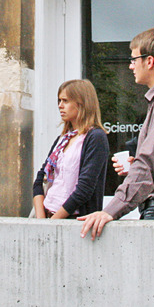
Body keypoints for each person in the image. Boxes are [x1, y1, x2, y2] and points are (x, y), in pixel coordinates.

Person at [79, 28, 154, 239]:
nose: (130, 66)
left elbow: (149, 164)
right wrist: (135, 168)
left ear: (150, 61)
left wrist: (110, 210)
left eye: (134, 59)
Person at [32, 79, 110, 219]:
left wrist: (53, 221)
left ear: (81, 103)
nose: (60, 106)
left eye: (65, 101)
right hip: (47, 215)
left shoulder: (95, 137)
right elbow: (39, 179)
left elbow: (84, 189)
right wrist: (41, 219)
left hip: (73, 219)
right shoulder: (63, 138)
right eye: (59, 101)